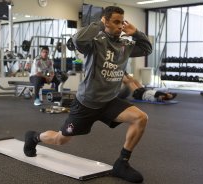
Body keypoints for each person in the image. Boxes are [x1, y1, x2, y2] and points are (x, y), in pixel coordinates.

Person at [24, 6, 152, 183]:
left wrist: (136, 32)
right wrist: (99, 26)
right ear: (105, 21)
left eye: (122, 22)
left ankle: (122, 163)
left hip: (109, 101)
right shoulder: (95, 41)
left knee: (141, 118)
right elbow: (77, 39)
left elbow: (146, 49)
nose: (120, 26)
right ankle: (34, 137)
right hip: (86, 103)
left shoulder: (125, 44)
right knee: (61, 140)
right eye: (115, 22)